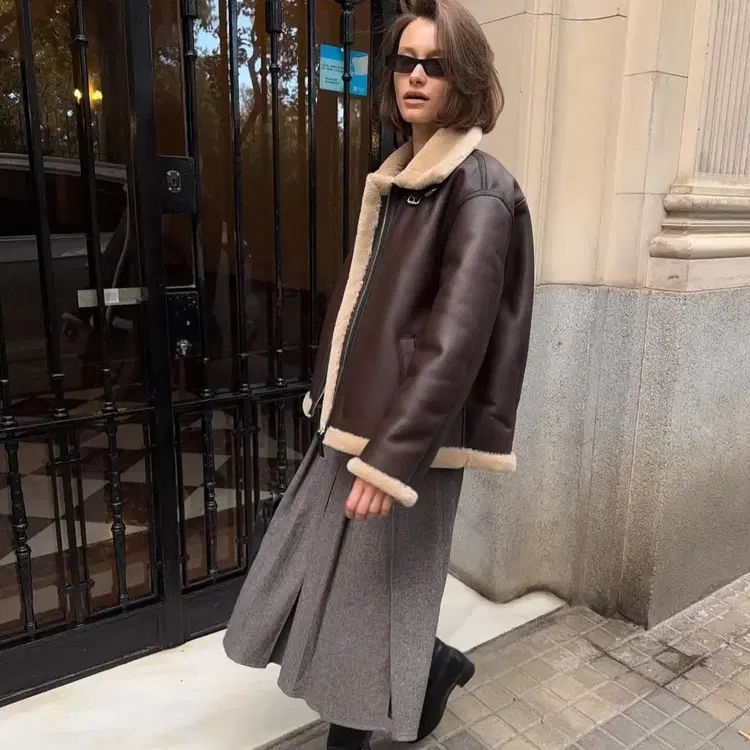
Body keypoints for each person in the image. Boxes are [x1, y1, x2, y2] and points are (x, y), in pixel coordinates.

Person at [223, 0, 534, 747]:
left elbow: (454, 342)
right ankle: (431, 664)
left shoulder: (479, 189)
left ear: (466, 77)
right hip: (355, 424)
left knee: (365, 606)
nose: (416, 76)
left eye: (436, 64)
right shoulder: (403, 178)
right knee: (313, 578)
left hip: (404, 443)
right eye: (405, 62)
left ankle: (373, 716)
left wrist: (392, 460)